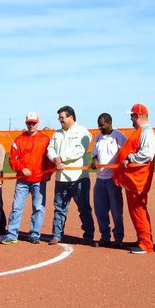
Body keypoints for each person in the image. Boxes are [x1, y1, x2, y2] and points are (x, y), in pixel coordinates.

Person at [2, 112, 54, 245]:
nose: (31, 125)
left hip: (39, 180)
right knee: (16, 207)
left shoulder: (45, 139)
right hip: (22, 181)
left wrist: (49, 173)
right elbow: (12, 159)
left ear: (38, 123)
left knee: (38, 208)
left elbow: (50, 158)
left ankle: (35, 234)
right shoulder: (19, 140)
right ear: (26, 123)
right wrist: (21, 168)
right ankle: (12, 234)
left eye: (33, 123)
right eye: (29, 123)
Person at [47, 105, 96, 246]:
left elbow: (80, 151)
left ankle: (88, 236)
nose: (60, 120)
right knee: (59, 208)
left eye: (62, 117)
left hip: (78, 178)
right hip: (61, 178)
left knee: (84, 208)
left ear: (71, 117)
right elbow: (50, 149)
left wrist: (61, 158)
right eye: (59, 118)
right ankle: (57, 235)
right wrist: (55, 159)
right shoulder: (57, 134)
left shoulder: (83, 132)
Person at [114, 103, 155, 254]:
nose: (131, 119)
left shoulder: (146, 131)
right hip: (132, 179)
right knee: (135, 210)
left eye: (132, 116)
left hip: (138, 179)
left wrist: (130, 158)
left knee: (138, 210)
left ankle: (146, 243)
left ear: (137, 116)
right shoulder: (140, 131)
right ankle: (142, 238)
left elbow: (147, 154)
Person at [91, 113, 126, 247]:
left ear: (109, 123)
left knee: (116, 210)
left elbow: (127, 153)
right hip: (100, 179)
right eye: (98, 124)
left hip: (113, 178)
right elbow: (94, 154)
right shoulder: (98, 138)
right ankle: (104, 236)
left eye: (102, 124)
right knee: (100, 210)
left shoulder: (119, 137)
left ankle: (118, 238)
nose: (99, 127)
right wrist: (94, 161)